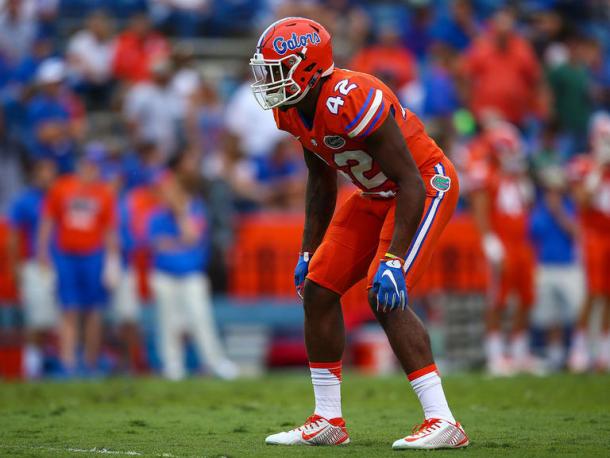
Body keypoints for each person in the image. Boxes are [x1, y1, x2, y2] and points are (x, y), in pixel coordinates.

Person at [250, 17, 468, 449]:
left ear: (308, 66)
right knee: (318, 287)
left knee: (384, 293)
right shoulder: (291, 108)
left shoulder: (352, 97)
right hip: (375, 192)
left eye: (278, 69)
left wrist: (393, 260)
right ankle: (328, 419)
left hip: (424, 185)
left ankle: (444, 421)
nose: (270, 80)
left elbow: (410, 179)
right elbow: (320, 178)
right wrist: (307, 250)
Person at [148, 156, 237, 381]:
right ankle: (172, 365)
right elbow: (158, 246)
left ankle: (214, 362)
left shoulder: (195, 209)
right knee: (168, 321)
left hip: (192, 274)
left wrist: (180, 215)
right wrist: (179, 242)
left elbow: (192, 236)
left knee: (200, 318)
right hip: (165, 275)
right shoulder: (157, 216)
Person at [37, 149, 118, 374]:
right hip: (66, 255)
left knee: (94, 309)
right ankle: (68, 363)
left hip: (93, 255)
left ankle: (90, 363)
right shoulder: (62, 187)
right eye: (89, 163)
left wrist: (113, 260)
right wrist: (43, 251)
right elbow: (48, 220)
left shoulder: (103, 193)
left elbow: (109, 229)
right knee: (68, 309)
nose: (92, 168)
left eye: (96, 164)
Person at [466, 120, 537, 375]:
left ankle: (519, 351)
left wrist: (523, 178)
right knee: (498, 297)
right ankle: (495, 353)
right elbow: (480, 208)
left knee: (526, 296)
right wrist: (488, 239)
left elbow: (525, 207)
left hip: (521, 242)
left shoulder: (516, 177)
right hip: (502, 241)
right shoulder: (487, 174)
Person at [7, 158, 57, 378]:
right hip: (35, 264)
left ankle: (58, 365)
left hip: (62, 263)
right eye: (45, 171)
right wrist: (16, 266)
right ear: (35, 174)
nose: (49, 176)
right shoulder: (25, 201)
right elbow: (13, 237)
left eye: (52, 172)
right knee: (37, 318)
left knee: (59, 318)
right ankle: (31, 366)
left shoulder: (60, 198)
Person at [567, 112, 610, 372]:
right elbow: (582, 201)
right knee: (592, 292)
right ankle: (579, 347)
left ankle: (604, 350)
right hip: (592, 236)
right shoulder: (583, 165)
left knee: (609, 294)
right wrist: (598, 168)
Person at [529, 167, 582, 371]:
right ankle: (555, 355)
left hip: (569, 264)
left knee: (576, 311)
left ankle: (579, 350)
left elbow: (576, 232)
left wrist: (558, 212)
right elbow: (533, 234)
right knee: (550, 314)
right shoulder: (539, 209)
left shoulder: (570, 206)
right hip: (544, 264)